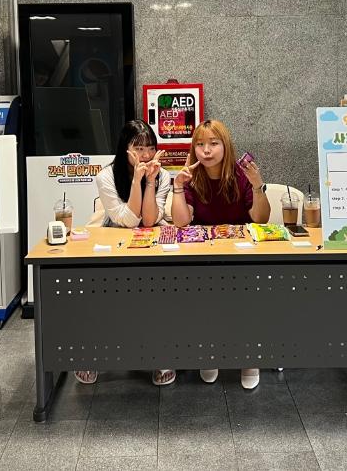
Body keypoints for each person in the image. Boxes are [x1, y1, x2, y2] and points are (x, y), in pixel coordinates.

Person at [171, 119, 271, 390]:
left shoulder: (240, 174)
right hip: (204, 257)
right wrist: (178, 186)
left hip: (242, 256)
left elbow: (261, 219)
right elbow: (181, 221)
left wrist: (258, 186)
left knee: (246, 301)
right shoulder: (192, 177)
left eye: (213, 143)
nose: (206, 150)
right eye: (200, 144)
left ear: (225, 145)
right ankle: (209, 352)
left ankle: (249, 358)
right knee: (205, 302)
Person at [76, 119, 173, 387]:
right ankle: (90, 354)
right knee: (105, 297)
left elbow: (149, 220)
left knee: (159, 294)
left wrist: (150, 181)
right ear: (124, 149)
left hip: (151, 240)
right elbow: (127, 220)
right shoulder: (106, 176)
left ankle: (161, 354)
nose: (146, 155)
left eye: (150, 148)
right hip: (115, 238)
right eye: (138, 148)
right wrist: (137, 180)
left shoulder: (163, 175)